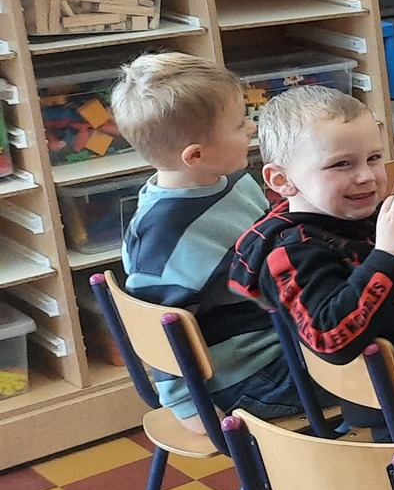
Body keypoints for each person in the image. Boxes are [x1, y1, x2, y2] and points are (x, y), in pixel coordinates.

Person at [229, 86, 394, 435]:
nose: (366, 176)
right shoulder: (290, 253)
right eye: (341, 164)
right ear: (282, 180)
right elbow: (331, 338)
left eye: (374, 158)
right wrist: (388, 255)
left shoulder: (360, 213)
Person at [113, 53, 299, 423]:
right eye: (239, 124)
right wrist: (188, 406)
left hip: (282, 332)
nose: (251, 128)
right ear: (196, 155)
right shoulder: (166, 238)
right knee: (388, 367)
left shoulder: (230, 178)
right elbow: (162, 330)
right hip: (250, 375)